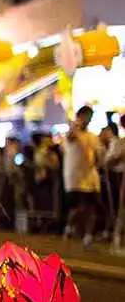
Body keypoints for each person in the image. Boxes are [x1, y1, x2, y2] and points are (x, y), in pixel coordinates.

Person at [62, 105, 102, 246]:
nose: (87, 119)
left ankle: (88, 236)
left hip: (90, 177)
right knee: (78, 208)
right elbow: (71, 136)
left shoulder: (92, 136)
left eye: (89, 117)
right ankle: (70, 227)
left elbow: (97, 154)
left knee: (91, 207)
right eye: (85, 116)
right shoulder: (73, 133)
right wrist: (75, 124)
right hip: (75, 177)